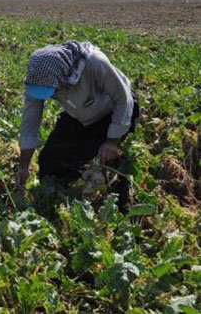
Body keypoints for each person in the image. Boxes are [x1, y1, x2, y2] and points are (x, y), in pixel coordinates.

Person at [15, 41, 139, 209]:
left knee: (105, 154)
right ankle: (66, 194)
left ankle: (118, 188)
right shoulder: (37, 79)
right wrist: (24, 166)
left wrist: (111, 141)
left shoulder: (95, 64)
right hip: (79, 116)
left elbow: (123, 99)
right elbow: (30, 120)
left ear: (61, 76)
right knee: (49, 161)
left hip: (114, 112)